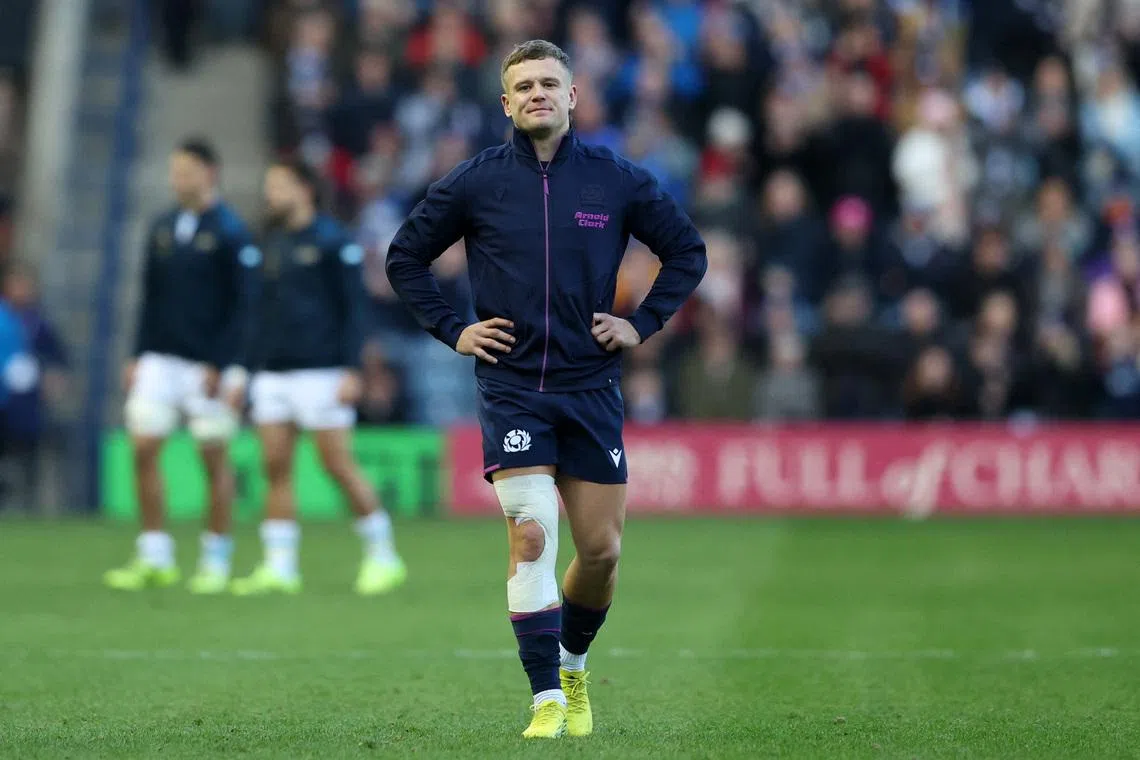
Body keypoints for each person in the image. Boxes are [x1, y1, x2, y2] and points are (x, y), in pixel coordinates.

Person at [385, 40, 707, 739]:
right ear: (506, 103)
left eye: (548, 82)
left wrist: (641, 322)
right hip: (511, 388)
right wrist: (454, 329)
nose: (536, 92)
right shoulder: (474, 182)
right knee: (531, 534)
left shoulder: (615, 180)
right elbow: (404, 256)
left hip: (591, 386)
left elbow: (688, 250)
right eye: (522, 84)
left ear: (572, 98)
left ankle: (572, 665)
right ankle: (544, 699)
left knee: (601, 553)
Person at [229, 159, 406, 596]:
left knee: (337, 465)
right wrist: (242, 371)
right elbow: (253, 314)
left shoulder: (332, 240)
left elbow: (355, 310)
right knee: (275, 467)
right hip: (272, 372)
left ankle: (383, 556)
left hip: (322, 371)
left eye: (279, 184)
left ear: (304, 189)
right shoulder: (264, 241)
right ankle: (279, 567)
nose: (271, 193)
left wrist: (352, 368)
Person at [104, 138, 258, 594]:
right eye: (174, 172)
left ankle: (215, 560)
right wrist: (136, 354)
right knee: (143, 450)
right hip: (159, 360)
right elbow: (149, 298)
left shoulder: (231, 231)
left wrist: (226, 363)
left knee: (212, 457)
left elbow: (244, 306)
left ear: (209, 173)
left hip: (206, 365)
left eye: (186, 171)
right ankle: (155, 554)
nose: (178, 180)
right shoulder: (162, 227)